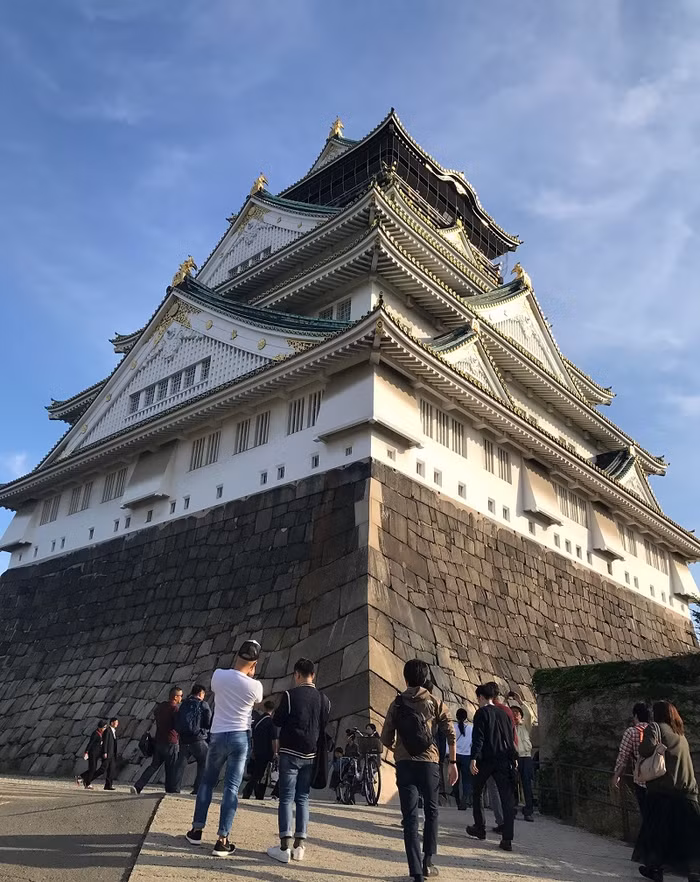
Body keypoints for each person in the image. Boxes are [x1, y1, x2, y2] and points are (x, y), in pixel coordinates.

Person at [381, 658, 458, 882]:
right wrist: (452, 764)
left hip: (405, 765)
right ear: (425, 679)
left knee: (410, 817)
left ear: (405, 678)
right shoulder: (435, 701)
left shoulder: (396, 703)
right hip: (429, 763)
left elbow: (386, 737)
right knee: (432, 811)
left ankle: (415, 871)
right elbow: (450, 734)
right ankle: (428, 862)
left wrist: (398, 750)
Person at [185, 640, 263, 857]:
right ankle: (222, 840)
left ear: (237, 656)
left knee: (207, 783)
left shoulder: (219, 675)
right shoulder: (255, 686)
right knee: (231, 787)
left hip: (218, 736)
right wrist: (249, 675)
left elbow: (219, 687)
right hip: (240, 738)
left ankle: (196, 830)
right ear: (254, 664)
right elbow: (257, 700)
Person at [267, 658, 331, 865]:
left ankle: (284, 846)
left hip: (289, 752)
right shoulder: (324, 699)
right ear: (314, 675)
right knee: (303, 798)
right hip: (311, 756)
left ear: (297, 674)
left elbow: (277, 721)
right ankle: (299, 846)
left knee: (286, 797)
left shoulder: (289, 695)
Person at [632, 701, 700, 882]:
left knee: (657, 833)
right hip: (687, 793)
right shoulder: (680, 734)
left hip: (663, 792)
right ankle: (694, 871)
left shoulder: (655, 727)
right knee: (687, 835)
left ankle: (655, 868)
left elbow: (645, 749)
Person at [467, 682, 517, 851]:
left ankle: (480, 827)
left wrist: (473, 758)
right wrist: (513, 757)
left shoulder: (481, 713)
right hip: (503, 759)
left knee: (477, 792)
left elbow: (478, 738)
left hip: (486, 760)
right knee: (506, 799)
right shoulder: (503, 714)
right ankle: (507, 839)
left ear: (481, 697)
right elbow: (509, 738)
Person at [131, 685, 183, 795]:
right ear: (175, 697)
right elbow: (178, 726)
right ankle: (170, 790)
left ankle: (138, 786)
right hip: (171, 742)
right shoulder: (175, 709)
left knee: (153, 766)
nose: (181, 698)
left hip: (159, 741)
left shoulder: (160, 707)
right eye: (180, 696)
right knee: (171, 768)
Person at [613, 702, 650, 814]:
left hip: (641, 779)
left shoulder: (631, 732)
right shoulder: (655, 730)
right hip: (658, 778)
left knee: (645, 812)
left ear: (635, 716)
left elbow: (623, 757)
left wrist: (616, 776)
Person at [175, 684, 212, 796]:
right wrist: (204, 730)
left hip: (184, 738)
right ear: (200, 693)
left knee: (180, 764)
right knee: (204, 762)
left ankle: (174, 788)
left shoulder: (184, 704)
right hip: (197, 738)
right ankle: (198, 788)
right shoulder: (203, 704)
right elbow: (208, 720)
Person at [242, 700, 278, 800]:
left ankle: (257, 793)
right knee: (261, 774)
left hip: (257, 750)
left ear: (264, 708)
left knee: (258, 773)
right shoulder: (271, 722)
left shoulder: (258, 720)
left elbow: (252, 736)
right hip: (267, 752)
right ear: (273, 710)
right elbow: (274, 739)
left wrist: (253, 749)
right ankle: (249, 791)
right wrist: (275, 752)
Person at [511, 705, 535, 821]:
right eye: (512, 712)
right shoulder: (509, 727)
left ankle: (528, 811)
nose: (515, 714)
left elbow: (530, 714)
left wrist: (520, 701)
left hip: (525, 757)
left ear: (520, 715)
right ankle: (512, 809)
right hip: (513, 758)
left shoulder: (525, 726)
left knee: (526, 784)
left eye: (517, 712)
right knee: (512, 784)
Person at [454, 709, 473, 810]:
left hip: (455, 756)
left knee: (455, 779)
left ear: (456, 716)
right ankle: (464, 801)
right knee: (466, 780)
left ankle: (457, 801)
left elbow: (450, 742)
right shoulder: (471, 729)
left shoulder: (453, 727)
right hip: (467, 756)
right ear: (466, 717)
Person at [77, 722, 106, 790]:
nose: (104, 729)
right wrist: (86, 752)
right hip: (92, 753)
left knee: (92, 769)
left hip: (97, 753)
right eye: (104, 727)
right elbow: (90, 743)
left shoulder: (101, 734)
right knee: (92, 769)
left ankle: (81, 777)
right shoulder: (95, 734)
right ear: (100, 728)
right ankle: (87, 783)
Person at [102, 718, 119, 791]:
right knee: (103, 769)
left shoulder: (113, 731)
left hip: (112, 754)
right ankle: (87, 778)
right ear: (112, 723)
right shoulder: (107, 731)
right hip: (108, 753)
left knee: (111, 769)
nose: (117, 724)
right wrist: (105, 752)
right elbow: (105, 742)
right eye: (116, 722)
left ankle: (108, 785)